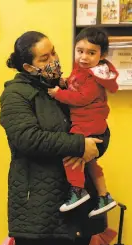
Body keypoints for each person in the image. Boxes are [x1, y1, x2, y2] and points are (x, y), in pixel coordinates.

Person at [0, 31, 110, 245]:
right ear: (28, 66)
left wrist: (95, 145)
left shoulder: (66, 87)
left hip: (76, 200)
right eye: (45, 57)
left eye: (54, 52)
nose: (54, 60)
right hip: (37, 202)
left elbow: (96, 129)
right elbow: (27, 138)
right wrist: (77, 146)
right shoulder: (15, 94)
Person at [48, 27, 118, 218]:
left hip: (88, 123)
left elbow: (80, 98)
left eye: (91, 53)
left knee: (70, 154)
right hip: (89, 122)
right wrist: (64, 83)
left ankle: (78, 190)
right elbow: (74, 83)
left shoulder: (94, 77)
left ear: (102, 55)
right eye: (80, 51)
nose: (84, 57)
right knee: (90, 162)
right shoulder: (82, 70)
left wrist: (58, 94)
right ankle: (104, 196)